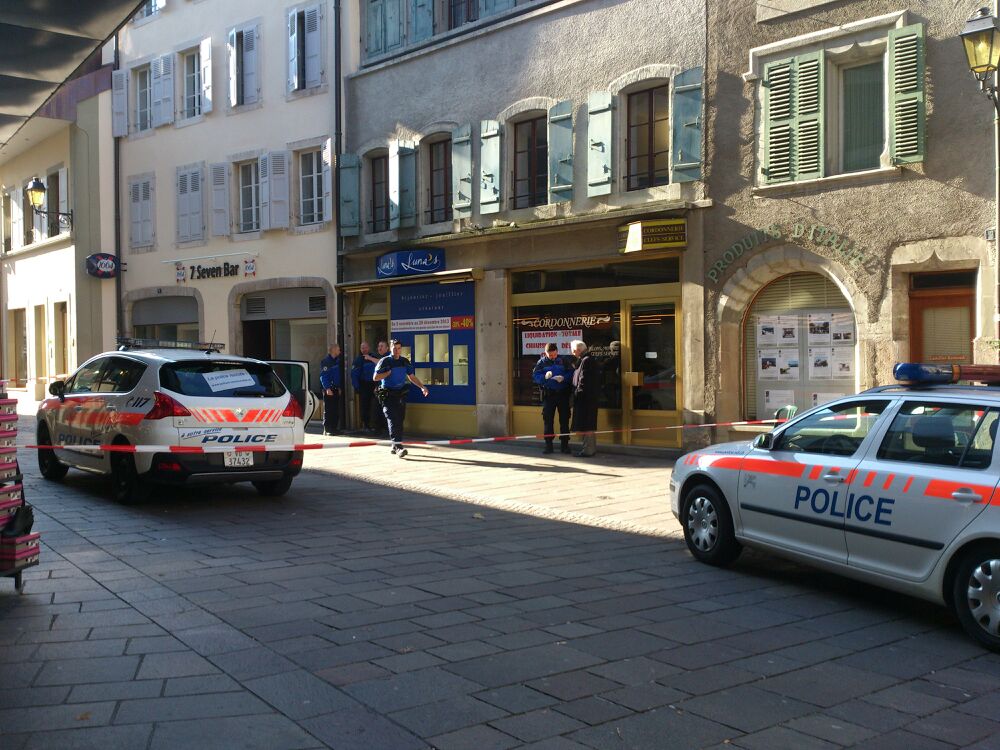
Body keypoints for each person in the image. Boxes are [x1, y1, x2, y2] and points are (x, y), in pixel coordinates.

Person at [373, 339, 429, 457]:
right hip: (388, 394)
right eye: (394, 348)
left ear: (401, 349)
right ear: (390, 348)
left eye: (398, 348)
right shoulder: (385, 361)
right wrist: (386, 374)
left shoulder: (404, 361)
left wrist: (422, 387)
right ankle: (399, 447)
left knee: (400, 419)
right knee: (393, 419)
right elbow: (375, 377)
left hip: (400, 394)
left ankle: (395, 445)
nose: (396, 351)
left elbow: (411, 377)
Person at [532, 342, 573, 454]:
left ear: (557, 352)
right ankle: (548, 445)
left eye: (555, 355)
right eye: (550, 356)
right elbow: (535, 376)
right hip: (549, 395)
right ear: (546, 353)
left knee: (564, 420)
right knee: (548, 420)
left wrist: (564, 378)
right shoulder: (541, 363)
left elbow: (572, 373)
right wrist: (544, 377)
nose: (553, 357)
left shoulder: (564, 360)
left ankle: (565, 445)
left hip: (563, 394)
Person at [571, 339, 601, 457]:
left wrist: (577, 394)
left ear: (577, 350)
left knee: (587, 424)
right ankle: (589, 449)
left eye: (573, 351)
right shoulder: (586, 360)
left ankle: (588, 450)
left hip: (586, 400)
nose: (573, 353)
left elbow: (583, 381)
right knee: (587, 424)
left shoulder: (587, 361)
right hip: (588, 399)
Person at [350, 341, 379, 432]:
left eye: (365, 347)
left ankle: (377, 425)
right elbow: (354, 375)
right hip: (364, 385)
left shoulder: (374, 357)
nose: (364, 349)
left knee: (376, 405)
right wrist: (357, 387)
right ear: (360, 349)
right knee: (365, 406)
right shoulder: (358, 360)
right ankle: (366, 425)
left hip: (375, 384)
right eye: (362, 348)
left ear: (369, 348)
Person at [319, 343, 343, 436]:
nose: (340, 351)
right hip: (329, 389)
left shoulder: (337, 361)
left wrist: (339, 387)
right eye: (338, 350)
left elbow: (337, 376)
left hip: (336, 388)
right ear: (333, 350)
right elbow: (323, 376)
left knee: (335, 409)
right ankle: (327, 428)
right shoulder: (326, 361)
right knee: (329, 409)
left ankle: (334, 428)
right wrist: (327, 388)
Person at [371, 340, 390, 434]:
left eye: (382, 346)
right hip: (379, 387)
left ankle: (385, 428)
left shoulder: (387, 358)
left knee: (384, 408)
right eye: (379, 346)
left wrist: (370, 358)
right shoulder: (380, 357)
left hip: (386, 388)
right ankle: (377, 428)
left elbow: (380, 363)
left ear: (387, 348)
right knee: (377, 408)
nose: (379, 348)